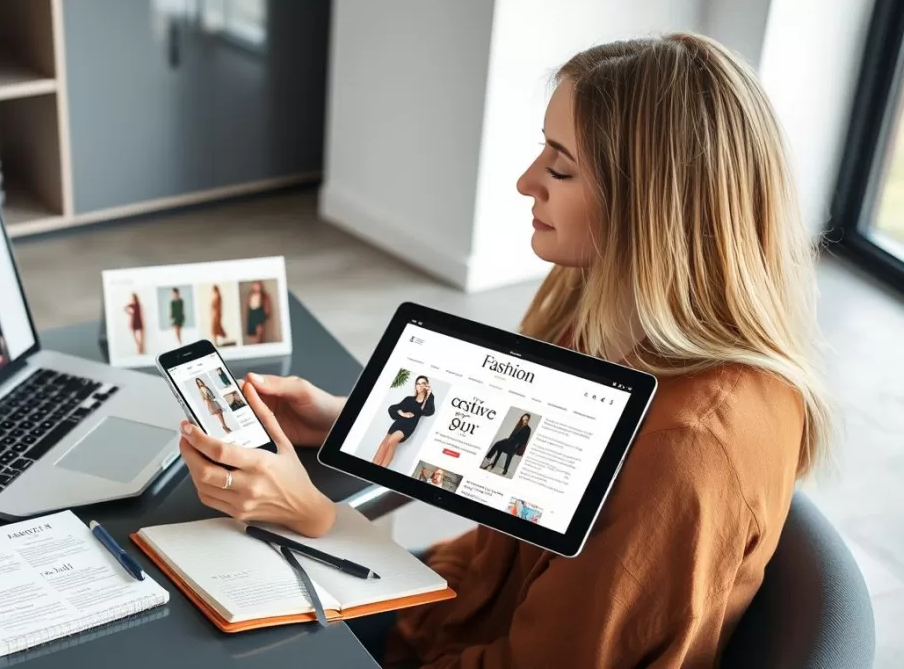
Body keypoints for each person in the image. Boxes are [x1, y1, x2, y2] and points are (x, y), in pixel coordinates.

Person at [174, 33, 832, 668]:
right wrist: (345, 419)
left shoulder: (688, 449)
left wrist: (317, 520)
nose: (525, 182)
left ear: (651, 207)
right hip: (461, 599)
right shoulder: (607, 305)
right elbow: (525, 460)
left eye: (560, 166)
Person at [372, 376, 434, 468]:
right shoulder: (409, 399)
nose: (420, 386)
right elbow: (393, 408)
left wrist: (429, 394)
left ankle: (382, 467)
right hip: (397, 424)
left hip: (408, 427)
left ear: (426, 386)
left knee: (391, 440)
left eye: (423, 383)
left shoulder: (426, 402)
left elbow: (429, 411)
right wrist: (403, 413)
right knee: (385, 443)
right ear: (415, 386)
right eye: (418, 383)